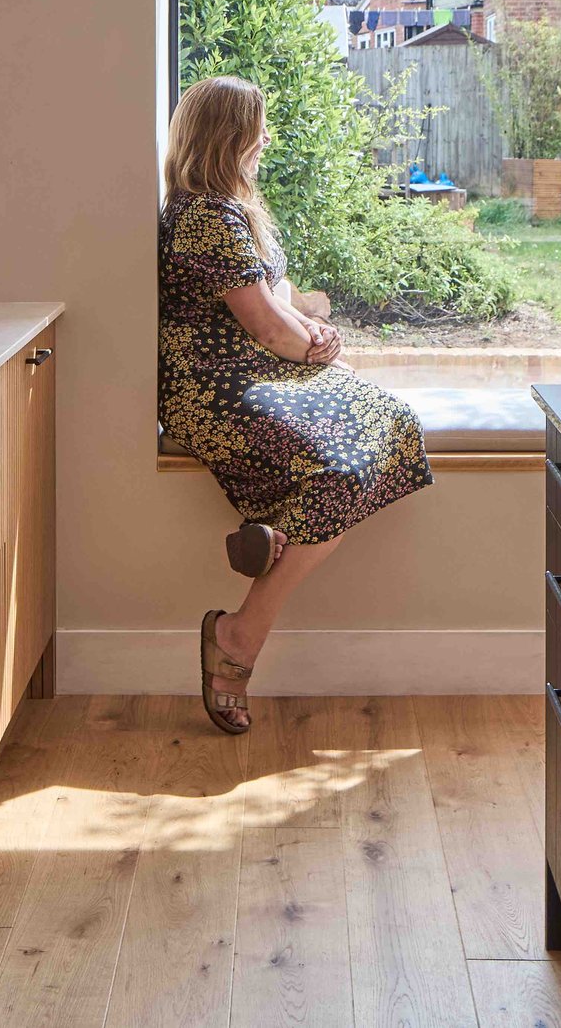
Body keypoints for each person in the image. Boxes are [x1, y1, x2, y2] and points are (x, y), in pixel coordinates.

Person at [158, 75, 431, 733]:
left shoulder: (234, 205)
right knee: (340, 467)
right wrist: (312, 344)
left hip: (260, 368)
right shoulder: (204, 215)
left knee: (394, 421)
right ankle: (239, 634)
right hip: (217, 384)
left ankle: (276, 524)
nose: (267, 138)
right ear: (230, 136)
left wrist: (317, 326)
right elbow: (267, 328)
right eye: (258, 126)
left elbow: (281, 296)